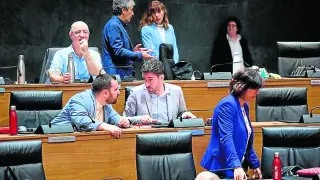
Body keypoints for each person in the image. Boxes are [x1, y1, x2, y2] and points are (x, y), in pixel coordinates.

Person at [201, 68, 264, 179]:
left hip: (236, 165)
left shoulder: (244, 106)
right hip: (222, 167)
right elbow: (226, 138)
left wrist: (254, 163)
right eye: (254, 88)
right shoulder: (227, 105)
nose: (257, 92)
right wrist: (236, 165)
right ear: (241, 87)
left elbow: (246, 139)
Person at [50, 74, 130, 138]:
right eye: (116, 89)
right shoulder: (79, 99)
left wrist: (122, 121)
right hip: (56, 139)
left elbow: (114, 118)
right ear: (105, 93)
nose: (119, 92)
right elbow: (83, 123)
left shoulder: (106, 104)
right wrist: (105, 126)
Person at [124, 59, 195, 124]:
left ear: (161, 78)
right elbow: (125, 119)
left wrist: (185, 114)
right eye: (145, 79)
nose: (147, 84)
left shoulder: (176, 91)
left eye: (150, 79)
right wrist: (139, 119)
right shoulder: (135, 93)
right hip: (147, 135)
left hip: (170, 134)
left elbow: (182, 112)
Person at [102, 0, 153, 80]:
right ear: (124, 10)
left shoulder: (119, 24)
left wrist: (133, 51)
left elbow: (117, 49)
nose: (133, 13)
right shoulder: (113, 25)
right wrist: (140, 55)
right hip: (116, 74)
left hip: (121, 72)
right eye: (131, 10)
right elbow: (118, 51)